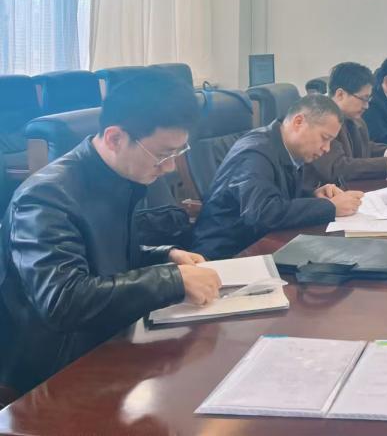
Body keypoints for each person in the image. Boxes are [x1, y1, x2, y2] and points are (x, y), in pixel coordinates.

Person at [0, 71, 221, 394]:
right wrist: (172, 281)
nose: (170, 168)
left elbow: (102, 257)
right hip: (52, 372)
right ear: (115, 138)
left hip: (105, 339)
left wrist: (165, 257)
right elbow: (63, 300)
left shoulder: (118, 177)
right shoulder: (45, 198)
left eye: (177, 153)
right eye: (163, 154)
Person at [192, 95, 363, 259]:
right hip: (225, 256)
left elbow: (277, 196)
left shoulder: (286, 148)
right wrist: (329, 207)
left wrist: (313, 196)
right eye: (324, 138)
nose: (327, 148)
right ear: (298, 122)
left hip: (260, 245)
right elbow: (262, 213)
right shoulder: (254, 153)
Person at [305, 62, 387, 186]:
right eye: (363, 99)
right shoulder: (321, 119)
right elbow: (338, 167)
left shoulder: (355, 119)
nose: (367, 106)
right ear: (340, 94)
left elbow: (367, 148)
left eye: (369, 99)